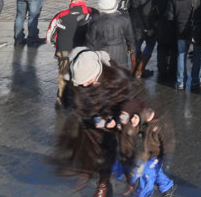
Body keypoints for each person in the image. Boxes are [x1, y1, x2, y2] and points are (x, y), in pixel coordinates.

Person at [51, 47, 145, 197]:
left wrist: (119, 118)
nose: (84, 85)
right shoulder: (78, 76)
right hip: (92, 122)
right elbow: (70, 102)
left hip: (114, 120)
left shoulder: (115, 74)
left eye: (87, 81)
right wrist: (89, 115)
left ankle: (106, 185)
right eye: (82, 83)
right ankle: (92, 175)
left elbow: (132, 99)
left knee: (112, 151)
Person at [48, 0, 93, 107]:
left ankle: (60, 101)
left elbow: (50, 36)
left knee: (63, 75)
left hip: (64, 50)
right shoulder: (91, 12)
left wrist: (56, 46)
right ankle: (78, 101)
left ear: (70, 0)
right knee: (81, 75)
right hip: (83, 51)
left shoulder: (60, 15)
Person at [126, 0, 158, 78]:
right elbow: (147, 11)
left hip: (134, 22)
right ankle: (140, 70)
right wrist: (150, 27)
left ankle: (133, 70)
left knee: (136, 45)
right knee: (150, 45)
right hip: (145, 23)